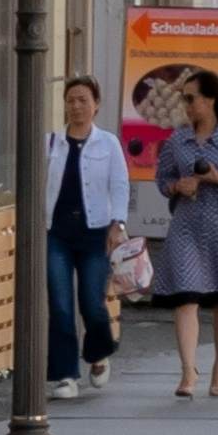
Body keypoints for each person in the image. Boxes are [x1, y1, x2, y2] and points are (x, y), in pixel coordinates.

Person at [142, 75, 218, 397]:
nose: (185, 105)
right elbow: (163, 178)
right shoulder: (178, 140)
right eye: (183, 98)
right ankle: (187, 371)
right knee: (185, 296)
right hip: (186, 224)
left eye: (190, 98)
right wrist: (176, 186)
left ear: (210, 100)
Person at [46, 72, 131, 399]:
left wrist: (118, 223)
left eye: (83, 100)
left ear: (96, 105)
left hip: (96, 232)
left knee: (92, 304)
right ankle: (65, 375)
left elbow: (120, 185)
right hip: (58, 233)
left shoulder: (107, 143)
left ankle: (97, 353)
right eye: (71, 101)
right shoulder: (52, 142)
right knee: (60, 303)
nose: (76, 107)